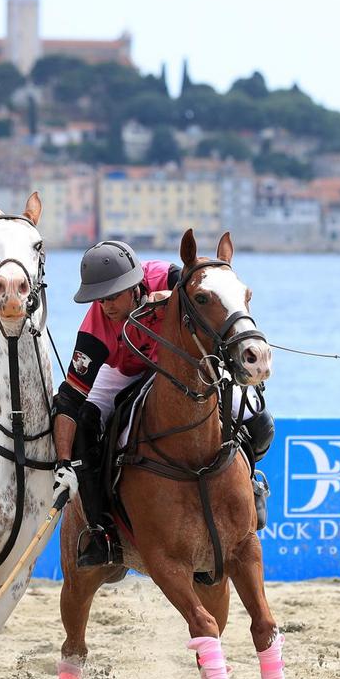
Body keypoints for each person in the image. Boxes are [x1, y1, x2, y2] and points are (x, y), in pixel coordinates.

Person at [52, 240, 274, 567]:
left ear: (133, 285)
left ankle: (253, 484)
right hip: (123, 372)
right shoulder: (94, 330)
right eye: (98, 298)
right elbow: (70, 395)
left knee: (259, 420)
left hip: (181, 366)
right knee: (85, 422)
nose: (105, 306)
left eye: (112, 296)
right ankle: (101, 532)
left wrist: (171, 298)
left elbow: (208, 295)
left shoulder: (165, 276)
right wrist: (62, 463)